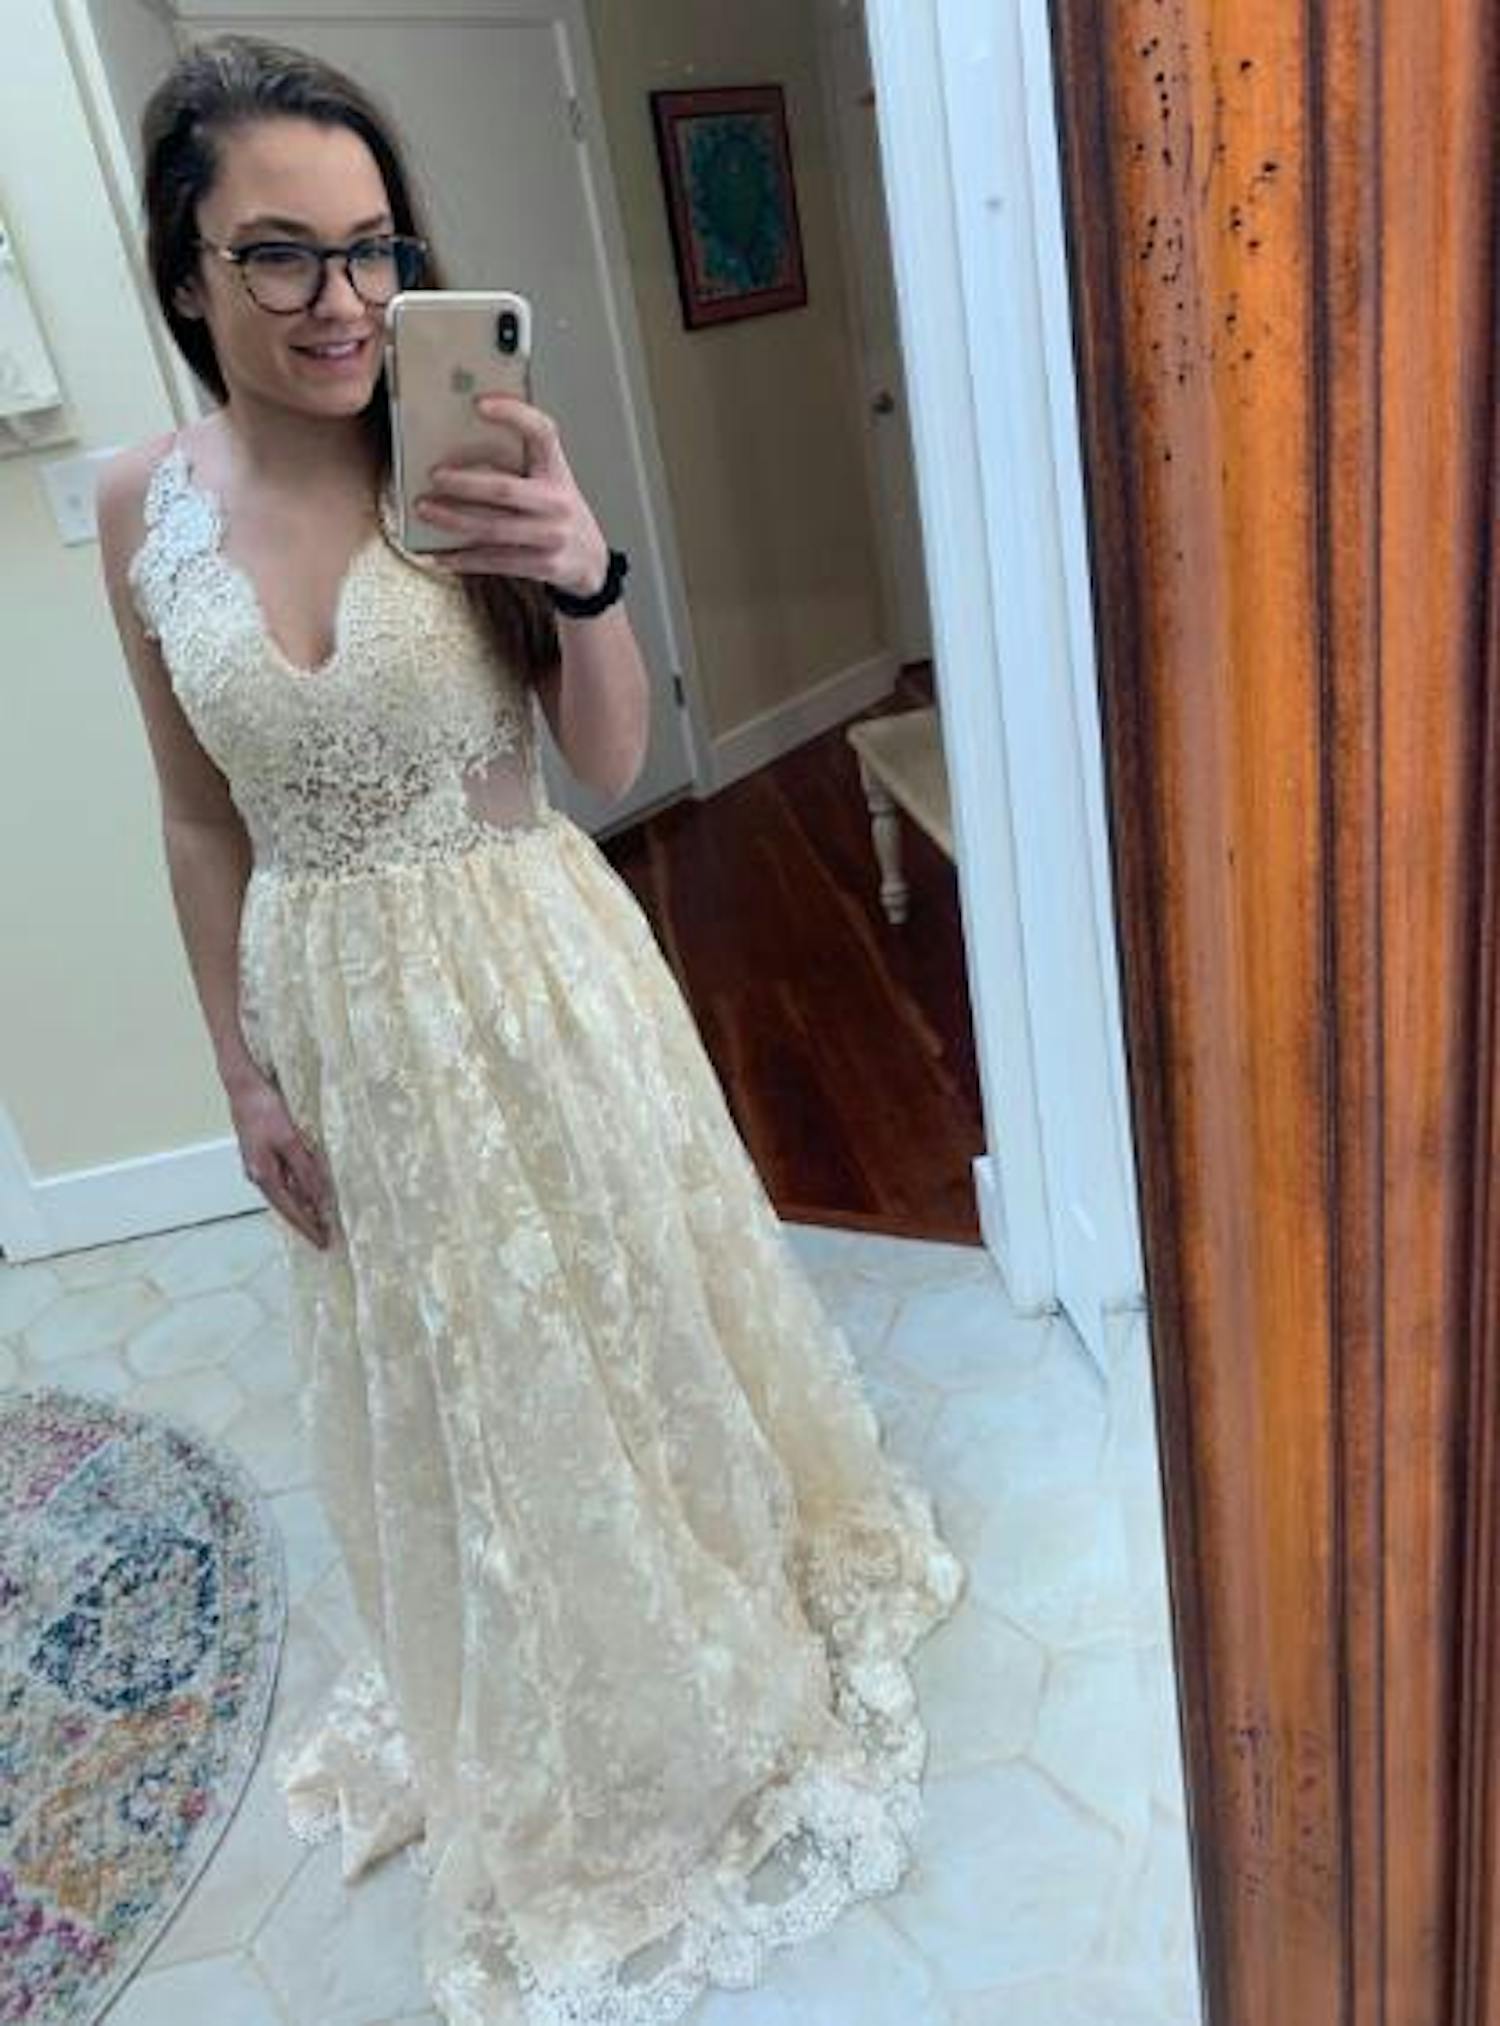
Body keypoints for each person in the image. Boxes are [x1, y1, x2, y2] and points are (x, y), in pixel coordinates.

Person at [96, 32, 962, 2025]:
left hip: (531, 967)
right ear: (187, 275)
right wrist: (238, 1067)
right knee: (445, 1368)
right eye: (281, 254)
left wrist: (582, 570)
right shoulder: (145, 509)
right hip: (334, 1014)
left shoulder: (468, 442)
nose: (341, 299)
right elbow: (196, 813)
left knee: (611, 1314)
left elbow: (610, 755)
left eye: (372, 247)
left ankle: (689, 1650)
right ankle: (524, 1681)